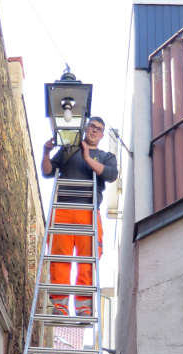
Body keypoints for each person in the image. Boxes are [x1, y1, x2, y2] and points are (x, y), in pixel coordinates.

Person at [41, 117, 117, 316]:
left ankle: (83, 307)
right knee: (59, 257)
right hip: (63, 210)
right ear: (86, 127)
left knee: (88, 259)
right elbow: (47, 171)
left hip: (89, 212)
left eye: (99, 129)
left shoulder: (105, 156)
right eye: (92, 126)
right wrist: (46, 152)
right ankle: (60, 306)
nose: (94, 131)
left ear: (102, 135)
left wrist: (88, 158)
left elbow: (110, 175)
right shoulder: (68, 150)